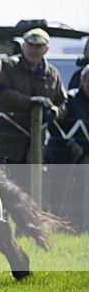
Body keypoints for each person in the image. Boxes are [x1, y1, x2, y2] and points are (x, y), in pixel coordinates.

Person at [0, 27, 68, 167]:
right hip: (9, 143)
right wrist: (31, 103)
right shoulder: (9, 66)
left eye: (38, 46)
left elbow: (63, 102)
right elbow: (0, 93)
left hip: (38, 145)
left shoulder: (53, 74)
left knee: (35, 185)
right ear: (23, 46)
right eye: (30, 45)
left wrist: (54, 111)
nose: (33, 50)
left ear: (46, 50)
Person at [60, 66, 89, 231]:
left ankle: (83, 228)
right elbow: (59, 124)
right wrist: (72, 142)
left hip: (86, 156)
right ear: (83, 80)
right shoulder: (71, 99)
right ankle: (66, 226)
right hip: (67, 154)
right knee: (66, 192)